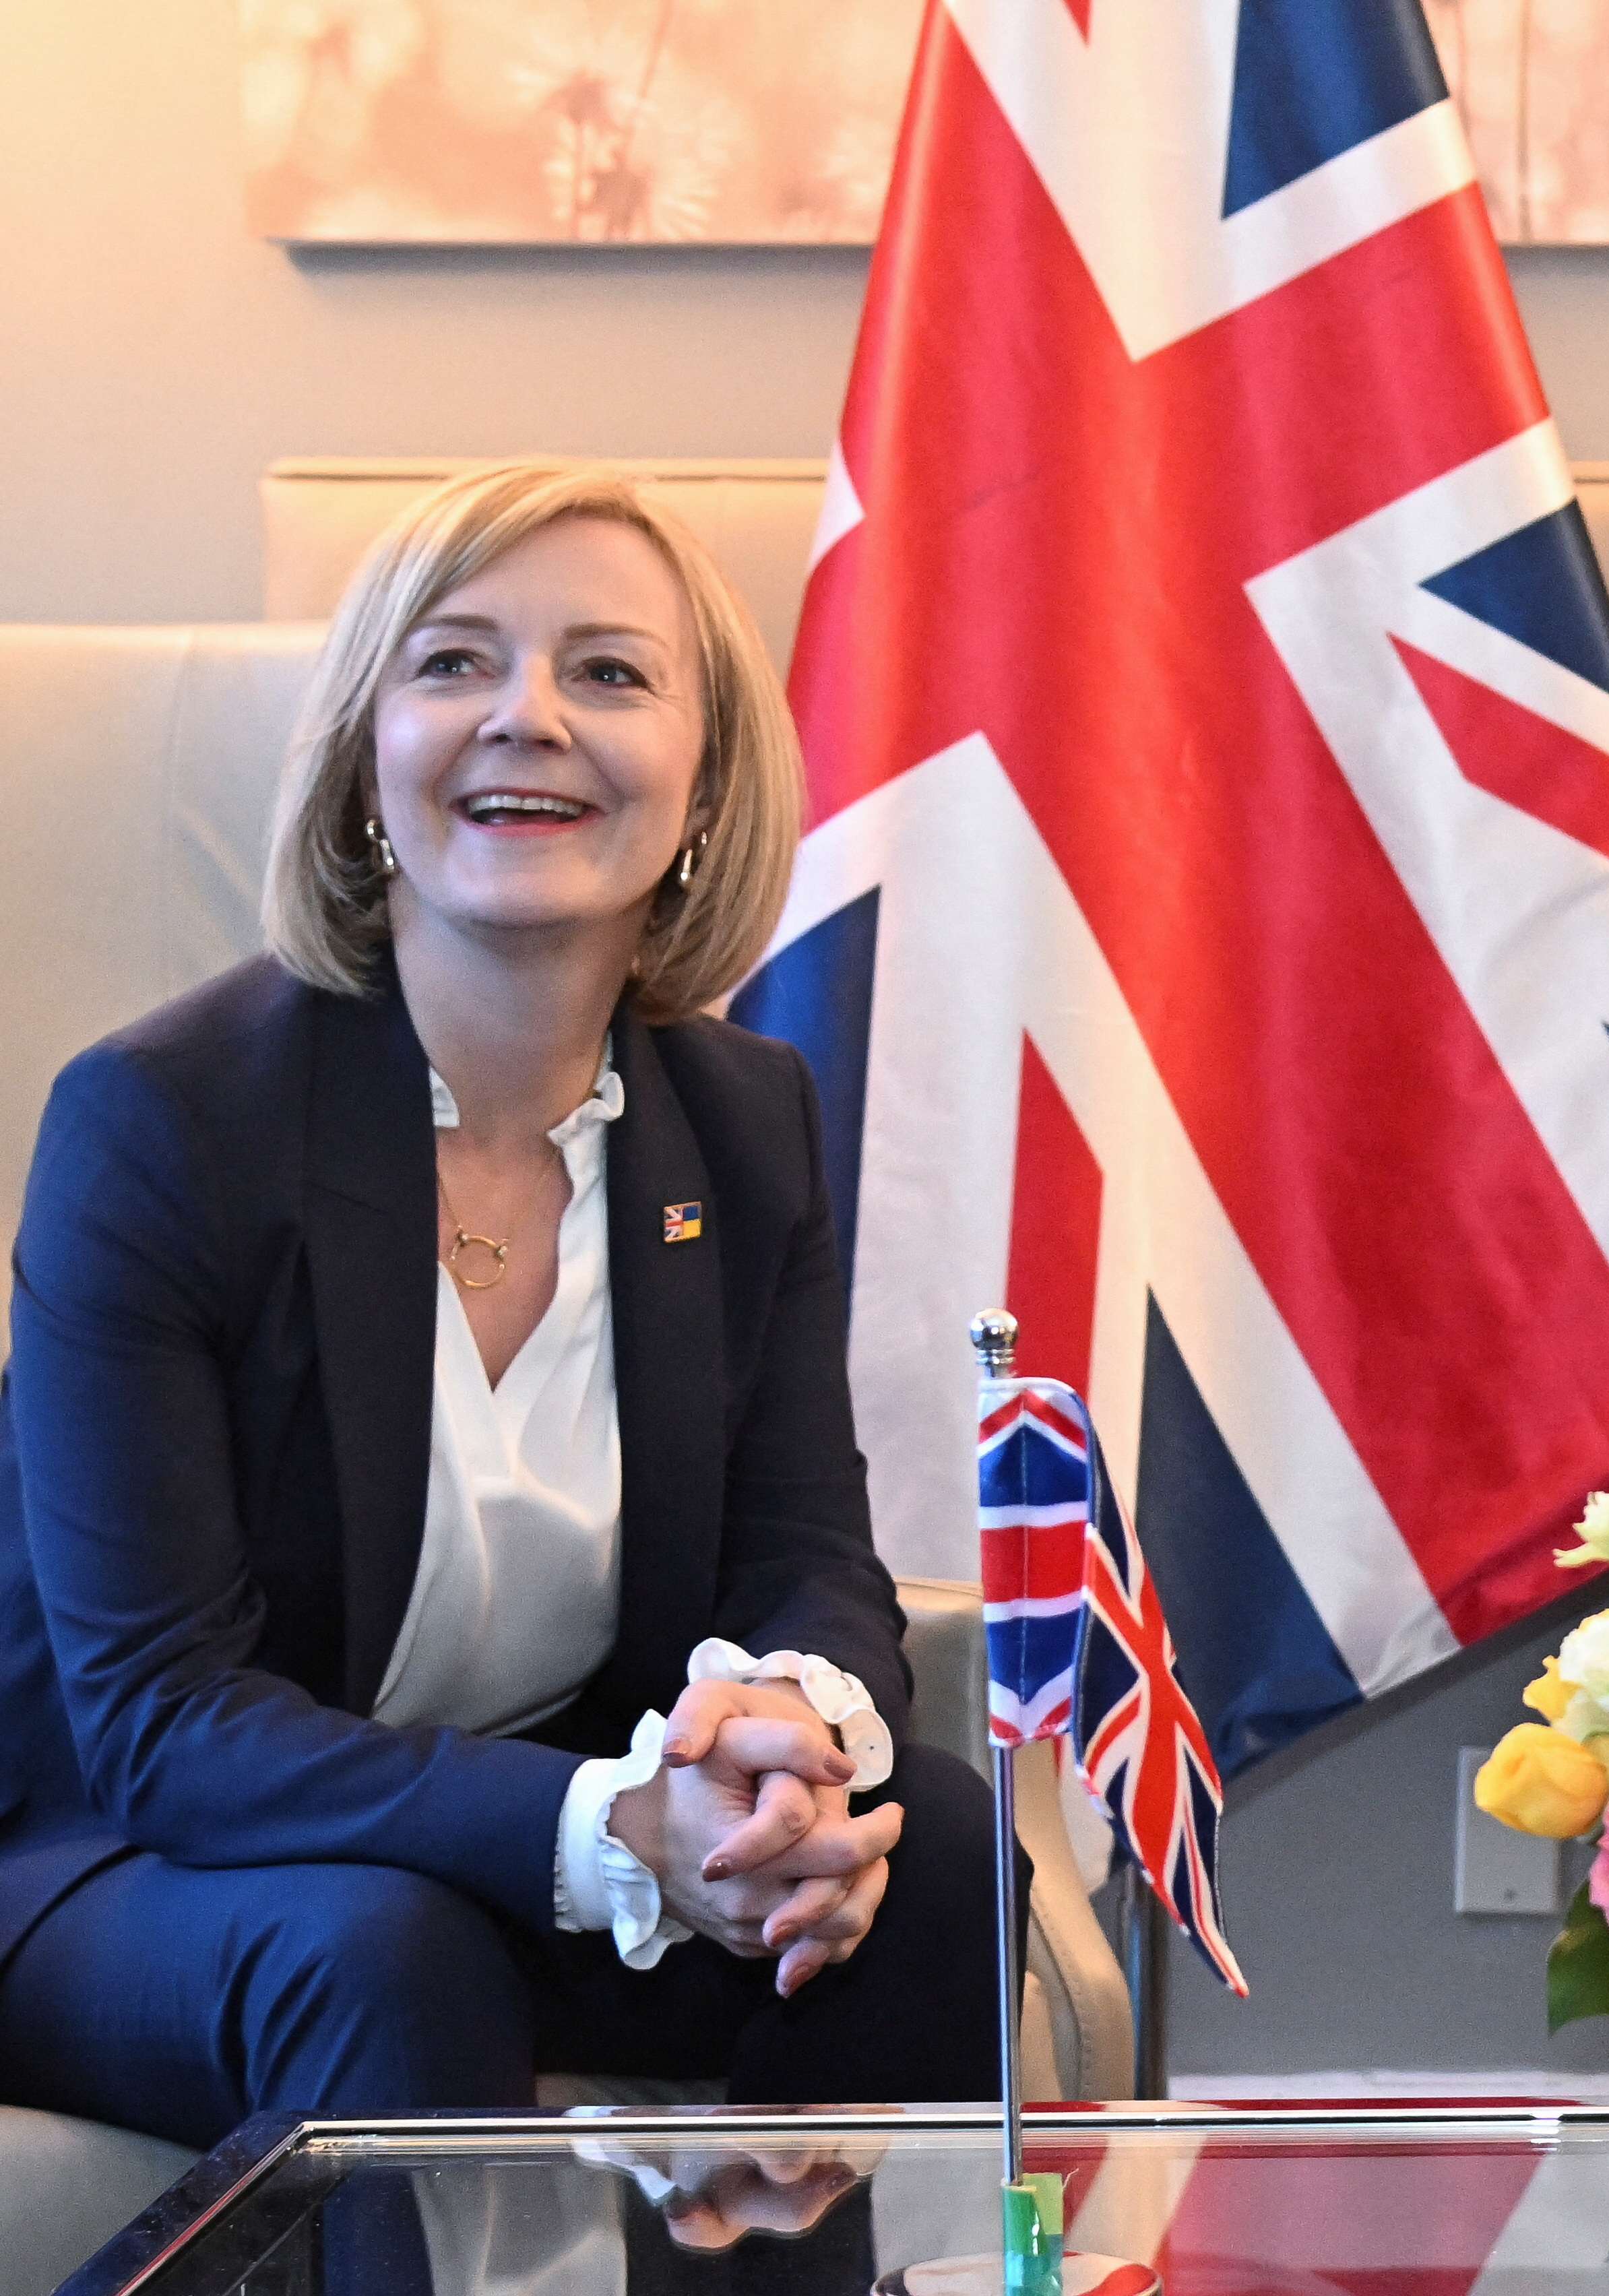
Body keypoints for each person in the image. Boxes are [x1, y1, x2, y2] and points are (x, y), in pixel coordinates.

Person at [0, 459, 1001, 2145]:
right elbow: (164, 1720)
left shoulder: (747, 1125)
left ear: (703, 785)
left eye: (607, 671)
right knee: (381, 1958)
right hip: (134, 1859)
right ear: (363, 766)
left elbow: (805, 1553)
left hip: (519, 1848)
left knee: (932, 1854)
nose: (526, 716)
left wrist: (787, 1736)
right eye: (454, 663)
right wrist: (615, 1823)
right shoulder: (161, 1123)